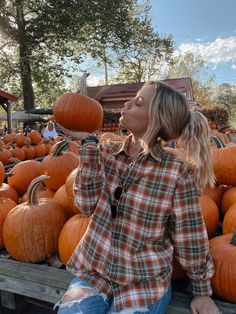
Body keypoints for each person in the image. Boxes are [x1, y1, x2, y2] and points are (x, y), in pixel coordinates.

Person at [55, 81, 220, 314]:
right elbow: (86, 205)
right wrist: (87, 142)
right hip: (95, 271)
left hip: (143, 282)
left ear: (158, 120)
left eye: (138, 103)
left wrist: (202, 291)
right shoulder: (104, 152)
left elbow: (190, 235)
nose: (127, 103)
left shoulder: (176, 172)